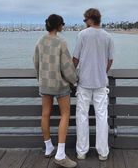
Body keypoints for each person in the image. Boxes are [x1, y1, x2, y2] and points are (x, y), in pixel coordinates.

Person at [34, 14, 77, 168]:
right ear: (58, 25)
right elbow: (67, 67)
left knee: (45, 113)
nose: (63, 26)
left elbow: (36, 62)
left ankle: (48, 147)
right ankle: (60, 154)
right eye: (62, 24)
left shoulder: (40, 40)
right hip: (59, 85)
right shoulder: (61, 42)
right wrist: (74, 80)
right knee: (65, 114)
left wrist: (41, 79)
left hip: (45, 84)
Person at [73, 8, 114, 161]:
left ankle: (82, 151)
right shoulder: (108, 36)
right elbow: (110, 60)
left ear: (90, 19)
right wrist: (102, 72)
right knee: (102, 117)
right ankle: (103, 152)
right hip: (101, 83)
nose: (84, 23)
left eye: (85, 20)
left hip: (84, 82)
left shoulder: (82, 35)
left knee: (81, 116)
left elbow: (75, 58)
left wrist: (72, 73)